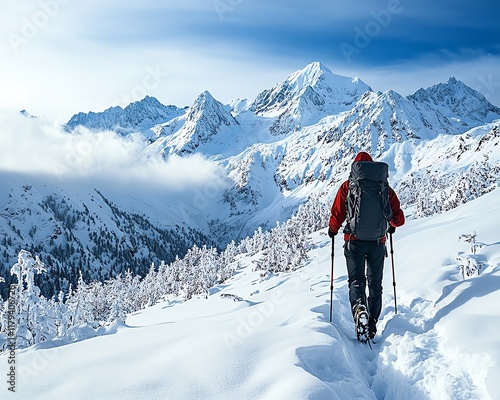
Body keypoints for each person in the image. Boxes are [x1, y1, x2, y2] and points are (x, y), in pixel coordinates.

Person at [328, 151, 405, 339]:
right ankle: (371, 325)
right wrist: (390, 225)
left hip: (353, 241)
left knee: (356, 281)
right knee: (375, 283)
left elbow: (338, 212)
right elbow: (399, 219)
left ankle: (359, 309)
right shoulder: (384, 187)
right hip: (377, 243)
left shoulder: (348, 186)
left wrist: (333, 230)